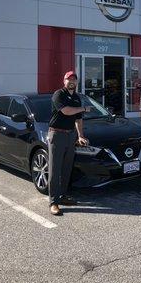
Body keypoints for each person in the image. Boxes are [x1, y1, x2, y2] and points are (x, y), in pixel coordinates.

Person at [48, 71, 91, 215]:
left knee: (67, 168)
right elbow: (66, 111)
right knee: (55, 169)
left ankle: (62, 196)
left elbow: (78, 119)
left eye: (74, 79)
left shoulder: (77, 98)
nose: (71, 81)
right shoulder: (58, 94)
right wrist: (84, 108)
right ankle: (53, 202)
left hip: (70, 135)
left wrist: (80, 136)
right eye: (69, 79)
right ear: (64, 81)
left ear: (77, 82)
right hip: (57, 134)